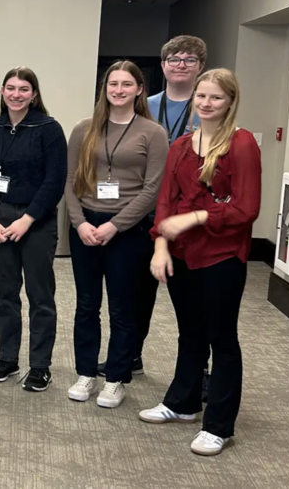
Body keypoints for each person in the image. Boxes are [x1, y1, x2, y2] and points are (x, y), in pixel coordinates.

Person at [140, 68, 260, 456]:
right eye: (202, 97)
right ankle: (182, 403)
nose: (206, 104)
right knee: (189, 333)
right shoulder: (181, 146)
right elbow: (165, 203)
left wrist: (194, 218)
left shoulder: (240, 145)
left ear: (230, 102)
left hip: (221, 255)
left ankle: (220, 426)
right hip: (182, 255)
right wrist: (160, 245)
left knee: (221, 339)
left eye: (216, 98)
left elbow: (246, 209)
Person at [101, 35, 210, 389]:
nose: (181, 64)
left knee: (193, 298)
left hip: (190, 218)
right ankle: (131, 353)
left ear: (200, 67)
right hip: (146, 215)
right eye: (174, 59)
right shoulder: (145, 105)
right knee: (137, 291)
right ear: (162, 66)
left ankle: (199, 370)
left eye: (189, 59)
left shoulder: (208, 107)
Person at [64, 60, 169, 408]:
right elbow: (70, 182)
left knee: (123, 309)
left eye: (127, 84)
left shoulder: (152, 133)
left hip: (128, 230)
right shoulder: (84, 129)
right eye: (113, 84)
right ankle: (86, 373)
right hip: (87, 227)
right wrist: (80, 223)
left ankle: (116, 378)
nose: (119, 90)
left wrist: (115, 225)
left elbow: (152, 189)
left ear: (139, 89)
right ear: (104, 88)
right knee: (86, 305)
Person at [0, 67, 67, 391]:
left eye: (24, 89)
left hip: (37, 222)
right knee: (5, 294)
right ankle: (8, 358)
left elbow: (54, 182)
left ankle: (40, 366)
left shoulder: (49, 129)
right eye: (11, 88)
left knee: (40, 296)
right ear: (2, 91)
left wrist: (27, 219)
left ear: (34, 94)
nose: (17, 94)